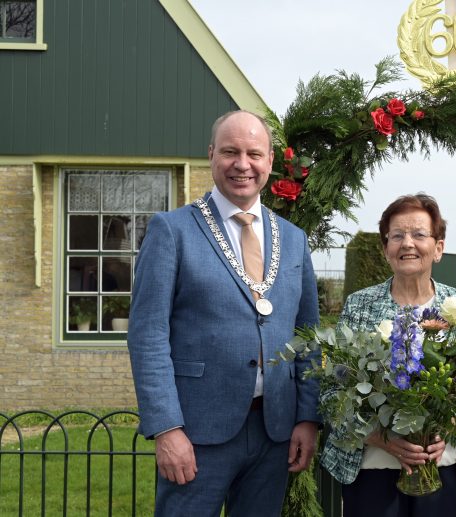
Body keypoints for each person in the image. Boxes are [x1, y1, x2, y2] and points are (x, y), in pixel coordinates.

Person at [127, 110, 320, 516]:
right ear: (212, 155)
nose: (242, 164)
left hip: (274, 432)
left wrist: (307, 418)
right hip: (196, 432)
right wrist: (166, 428)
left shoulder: (294, 239)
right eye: (230, 151)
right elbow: (147, 337)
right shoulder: (172, 230)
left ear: (270, 161)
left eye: (254, 153)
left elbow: (308, 336)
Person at [321, 193, 456, 517]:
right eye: (396, 236)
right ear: (386, 250)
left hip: (443, 467)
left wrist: (452, 427)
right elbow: (331, 391)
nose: (407, 243)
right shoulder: (359, 305)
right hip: (372, 468)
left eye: (419, 234)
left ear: (438, 248)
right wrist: (376, 436)